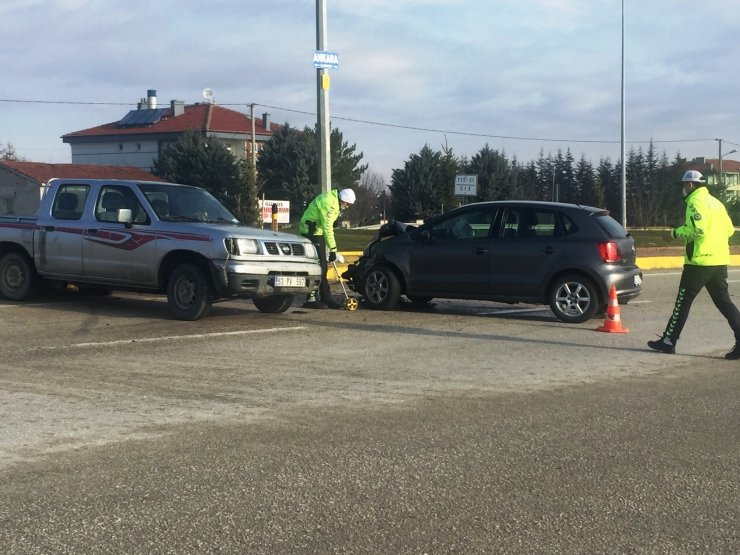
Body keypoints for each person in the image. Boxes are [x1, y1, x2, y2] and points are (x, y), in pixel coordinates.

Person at [647, 170, 740, 358]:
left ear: (690, 185)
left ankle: (668, 341)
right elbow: (730, 230)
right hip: (719, 260)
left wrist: (673, 233)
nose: (683, 189)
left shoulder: (694, 202)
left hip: (699, 261)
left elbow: (698, 229)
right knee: (724, 302)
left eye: (684, 185)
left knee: (683, 302)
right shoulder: (716, 203)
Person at [299, 187, 356, 309]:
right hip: (311, 230)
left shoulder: (335, 201)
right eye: (347, 204)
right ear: (342, 199)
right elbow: (328, 228)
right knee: (320, 266)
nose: (347, 207)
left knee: (322, 266)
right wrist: (333, 249)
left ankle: (326, 297)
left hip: (317, 230)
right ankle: (311, 299)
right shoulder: (329, 203)